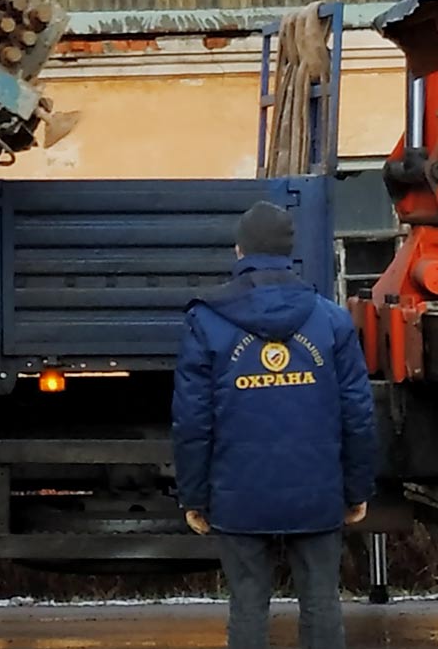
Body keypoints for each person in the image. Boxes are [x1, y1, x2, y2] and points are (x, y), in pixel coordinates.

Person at [172, 200, 376, 649]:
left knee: (247, 606)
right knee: (322, 603)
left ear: (239, 250)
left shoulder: (206, 322)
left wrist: (195, 495)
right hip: (317, 491)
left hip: (238, 492)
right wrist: (356, 489)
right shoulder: (332, 320)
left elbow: (192, 419)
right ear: (289, 252)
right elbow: (357, 412)